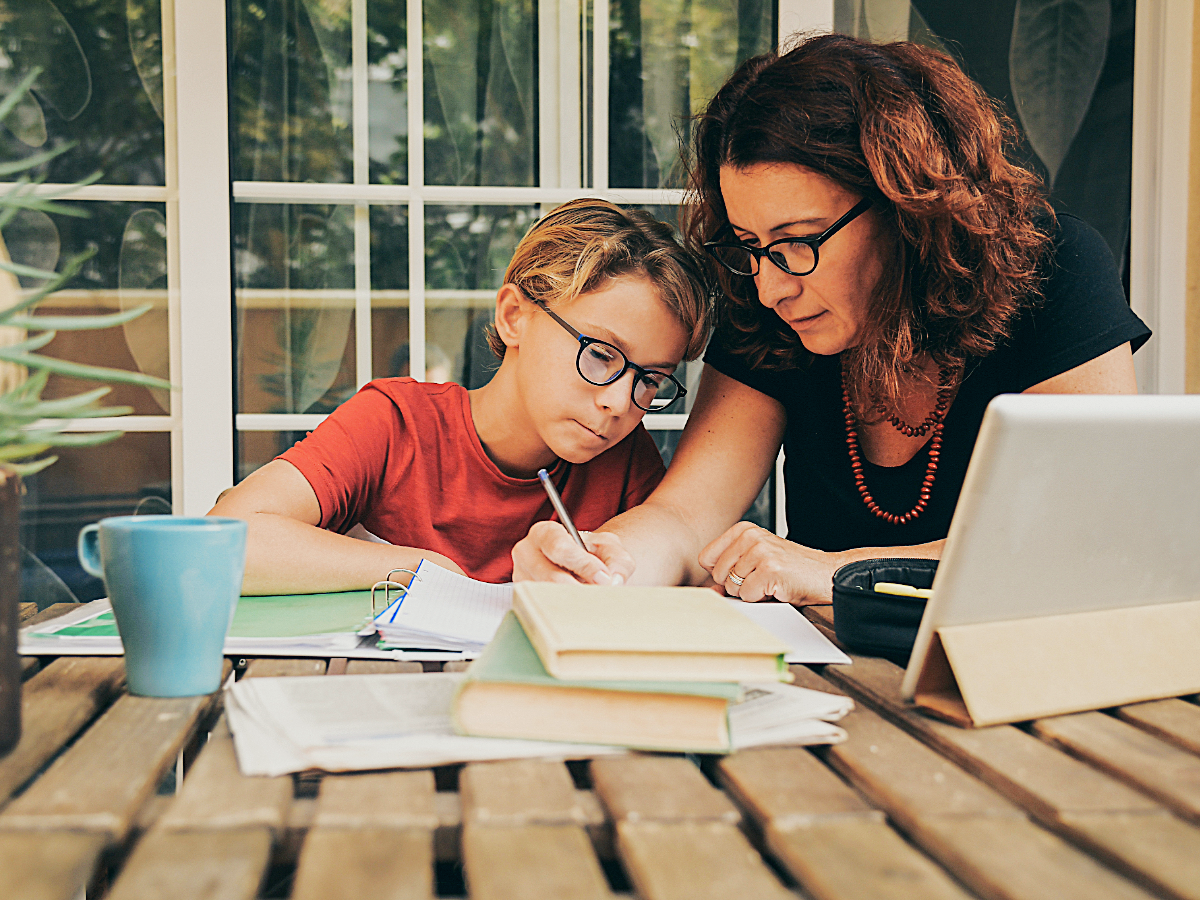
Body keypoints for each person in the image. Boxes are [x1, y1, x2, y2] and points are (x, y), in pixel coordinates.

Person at [511, 34, 1150, 604]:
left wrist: (839, 570)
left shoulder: (1053, 269)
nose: (769, 286)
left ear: (907, 207)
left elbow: (1085, 535)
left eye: (797, 241)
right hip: (838, 684)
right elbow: (684, 516)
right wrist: (604, 563)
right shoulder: (768, 305)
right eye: (750, 245)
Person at [210, 198, 710, 593]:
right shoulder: (395, 424)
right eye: (601, 355)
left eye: (651, 380)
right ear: (514, 317)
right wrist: (417, 566)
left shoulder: (625, 461)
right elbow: (224, 539)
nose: (621, 403)